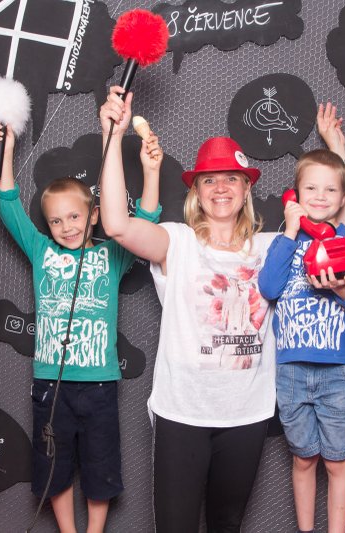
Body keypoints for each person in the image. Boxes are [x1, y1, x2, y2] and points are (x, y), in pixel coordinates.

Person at [98, 85, 279, 533]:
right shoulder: (176, 241)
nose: (221, 187)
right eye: (209, 180)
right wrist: (113, 138)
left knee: (226, 525)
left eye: (231, 178)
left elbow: (337, 237)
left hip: (247, 415)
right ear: (197, 190)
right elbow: (116, 225)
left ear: (246, 188)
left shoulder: (273, 247)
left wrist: (339, 158)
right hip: (183, 414)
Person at [0, 121, 163, 533]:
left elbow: (147, 219)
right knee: (54, 464)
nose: (66, 227)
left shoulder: (112, 255)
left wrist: (152, 171)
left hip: (100, 384)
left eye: (74, 217)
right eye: (56, 221)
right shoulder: (40, 250)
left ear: (94, 215)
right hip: (51, 384)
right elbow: (8, 204)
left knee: (101, 466)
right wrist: (6, 151)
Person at [257, 148, 345, 533]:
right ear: (295, 194)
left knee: (337, 461)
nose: (321, 196)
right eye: (311, 188)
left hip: (338, 373)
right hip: (291, 372)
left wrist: (343, 291)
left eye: (330, 190)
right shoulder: (286, 241)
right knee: (304, 459)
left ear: (344, 197)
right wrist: (290, 230)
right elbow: (269, 287)